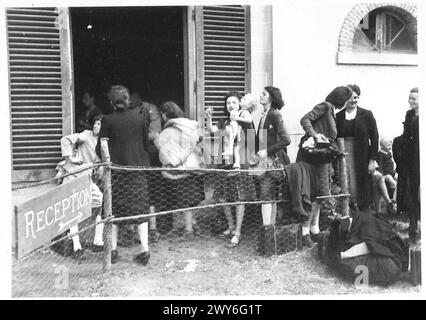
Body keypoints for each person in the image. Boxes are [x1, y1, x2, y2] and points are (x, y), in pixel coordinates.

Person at [98, 85, 151, 265]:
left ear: (111, 102)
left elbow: (102, 148)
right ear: (127, 99)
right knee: (141, 212)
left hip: (116, 174)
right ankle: (145, 251)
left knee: (113, 213)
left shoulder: (107, 120)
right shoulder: (140, 118)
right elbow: (146, 145)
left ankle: (112, 251)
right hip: (137, 173)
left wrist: (109, 162)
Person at [299, 86, 352, 247]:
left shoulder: (332, 111)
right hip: (317, 157)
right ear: (341, 99)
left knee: (318, 195)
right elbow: (305, 119)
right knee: (319, 193)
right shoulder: (325, 106)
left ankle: (313, 229)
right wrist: (315, 135)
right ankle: (305, 231)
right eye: (347, 100)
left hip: (325, 157)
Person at [205, 91, 256, 247]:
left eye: (234, 102)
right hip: (224, 162)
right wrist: (208, 118)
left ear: (239, 103)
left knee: (239, 198)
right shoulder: (223, 121)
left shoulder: (244, 118)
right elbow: (212, 131)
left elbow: (252, 139)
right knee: (222, 197)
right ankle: (231, 226)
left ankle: (238, 232)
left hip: (239, 162)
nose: (231, 105)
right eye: (228, 103)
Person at [56, 115, 105, 258]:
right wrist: (69, 158)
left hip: (88, 179)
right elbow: (65, 140)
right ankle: (77, 247)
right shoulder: (85, 135)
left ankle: (98, 242)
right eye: (96, 124)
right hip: (74, 177)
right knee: (73, 209)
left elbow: (100, 165)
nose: (97, 127)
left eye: (100, 124)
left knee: (99, 201)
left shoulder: (103, 142)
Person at [154, 101, 204, 238]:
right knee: (187, 201)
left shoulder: (168, 131)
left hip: (179, 170)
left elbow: (165, 152)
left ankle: (189, 230)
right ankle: (193, 225)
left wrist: (155, 139)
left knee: (184, 202)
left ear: (164, 115)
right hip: (193, 167)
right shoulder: (190, 126)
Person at [335, 84, 379, 212]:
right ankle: (350, 212)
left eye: (356, 97)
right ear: (344, 99)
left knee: (362, 184)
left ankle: (363, 213)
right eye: (350, 98)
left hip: (362, 156)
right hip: (344, 155)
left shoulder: (367, 114)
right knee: (348, 182)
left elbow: (375, 139)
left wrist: (372, 160)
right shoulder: (338, 116)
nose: (353, 100)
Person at [255, 86, 291, 228]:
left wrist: (267, 152)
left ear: (271, 97)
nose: (261, 96)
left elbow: (286, 140)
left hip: (273, 162)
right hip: (265, 162)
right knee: (268, 195)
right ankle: (269, 228)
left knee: (266, 194)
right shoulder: (264, 115)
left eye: (264, 94)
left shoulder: (275, 114)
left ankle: (268, 229)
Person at [130, 92, 163, 242]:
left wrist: (135, 137)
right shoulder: (126, 111)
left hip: (150, 156)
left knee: (150, 193)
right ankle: (131, 230)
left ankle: (153, 230)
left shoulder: (150, 109)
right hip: (133, 156)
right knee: (132, 193)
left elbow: (155, 133)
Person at [400, 87, 420, 241]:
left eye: (414, 98)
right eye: (410, 98)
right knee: (412, 191)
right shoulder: (409, 114)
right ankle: (413, 225)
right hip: (412, 158)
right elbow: (406, 136)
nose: (410, 101)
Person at [371, 137, 397, 215]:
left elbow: (391, 165)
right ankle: (391, 203)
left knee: (399, 180)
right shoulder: (380, 154)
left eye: (390, 145)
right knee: (391, 181)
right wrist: (382, 174)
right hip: (385, 173)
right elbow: (380, 166)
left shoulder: (388, 153)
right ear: (382, 146)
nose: (390, 147)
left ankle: (394, 199)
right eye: (388, 145)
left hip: (391, 172)